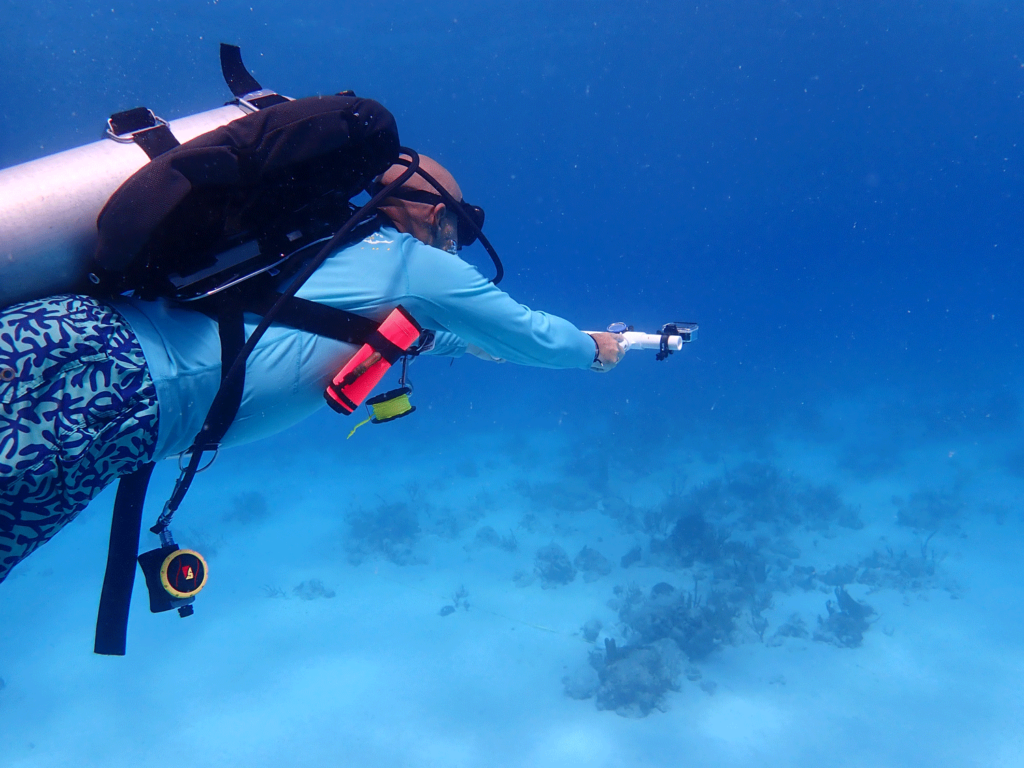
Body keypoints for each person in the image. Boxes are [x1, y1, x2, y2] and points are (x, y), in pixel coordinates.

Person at [0, 154, 624, 584]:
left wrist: (475, 346)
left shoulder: (324, 242)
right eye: (459, 224)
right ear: (438, 214)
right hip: (107, 402)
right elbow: (530, 335)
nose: (457, 239)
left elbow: (411, 337)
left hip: (64, 331)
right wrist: (594, 349)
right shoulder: (417, 264)